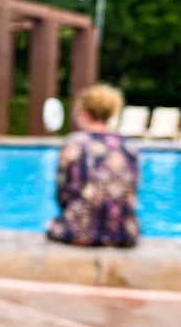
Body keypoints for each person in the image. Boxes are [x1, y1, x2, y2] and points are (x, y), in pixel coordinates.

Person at [47, 85, 140, 247]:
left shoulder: (74, 143)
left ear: (84, 113)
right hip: (123, 232)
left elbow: (63, 194)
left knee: (51, 225)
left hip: (79, 231)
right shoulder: (129, 146)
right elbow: (132, 192)